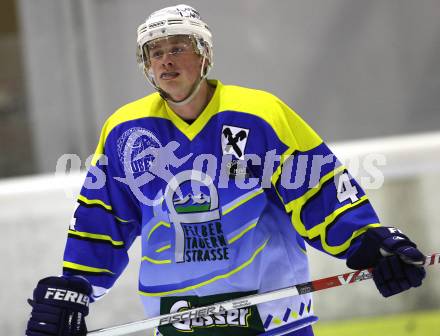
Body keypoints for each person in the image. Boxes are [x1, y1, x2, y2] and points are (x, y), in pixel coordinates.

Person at [25, 4, 426, 336]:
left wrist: (368, 242)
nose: (165, 59)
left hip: (272, 317)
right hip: (177, 320)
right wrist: (75, 286)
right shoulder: (126, 129)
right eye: (155, 51)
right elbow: (103, 214)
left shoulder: (259, 114)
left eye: (178, 47)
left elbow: (317, 190)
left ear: (204, 55)